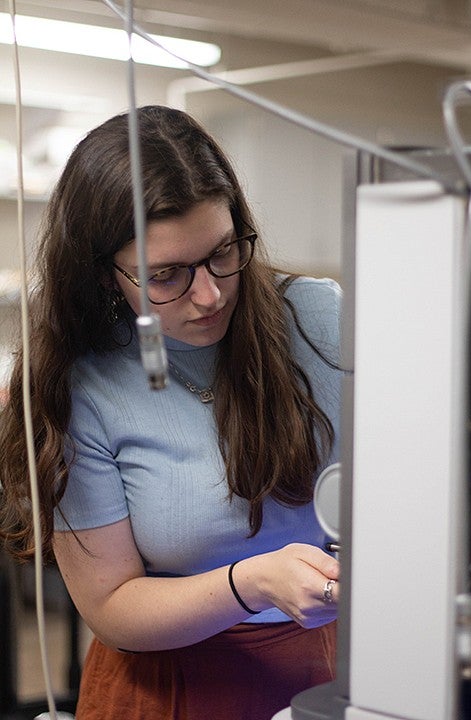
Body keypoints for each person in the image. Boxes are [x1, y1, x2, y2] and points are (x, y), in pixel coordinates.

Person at [0, 106, 343, 720]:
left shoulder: (320, 322)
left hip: (322, 666)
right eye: (166, 275)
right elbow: (112, 607)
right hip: (164, 685)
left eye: (222, 252)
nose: (210, 294)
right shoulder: (78, 380)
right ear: (105, 277)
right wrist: (253, 583)